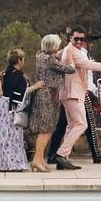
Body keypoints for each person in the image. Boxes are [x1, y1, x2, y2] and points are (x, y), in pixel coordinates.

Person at [55, 26, 101, 171]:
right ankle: (61, 154)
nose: (79, 42)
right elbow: (89, 65)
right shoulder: (72, 51)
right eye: (76, 38)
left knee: (71, 125)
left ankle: (63, 158)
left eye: (81, 39)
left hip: (70, 92)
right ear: (70, 37)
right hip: (73, 93)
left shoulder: (70, 50)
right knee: (82, 124)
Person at [0, 48, 43, 171]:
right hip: (11, 108)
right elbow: (20, 92)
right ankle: (10, 163)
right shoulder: (17, 75)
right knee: (11, 134)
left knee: (1, 133)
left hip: (4, 105)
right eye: (22, 59)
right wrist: (35, 87)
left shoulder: (8, 71)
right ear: (19, 60)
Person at [29, 34, 75, 172]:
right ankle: (37, 160)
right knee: (46, 129)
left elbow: (54, 59)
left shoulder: (40, 56)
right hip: (47, 96)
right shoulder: (50, 59)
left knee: (47, 129)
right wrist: (71, 59)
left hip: (43, 95)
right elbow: (70, 69)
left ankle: (38, 159)